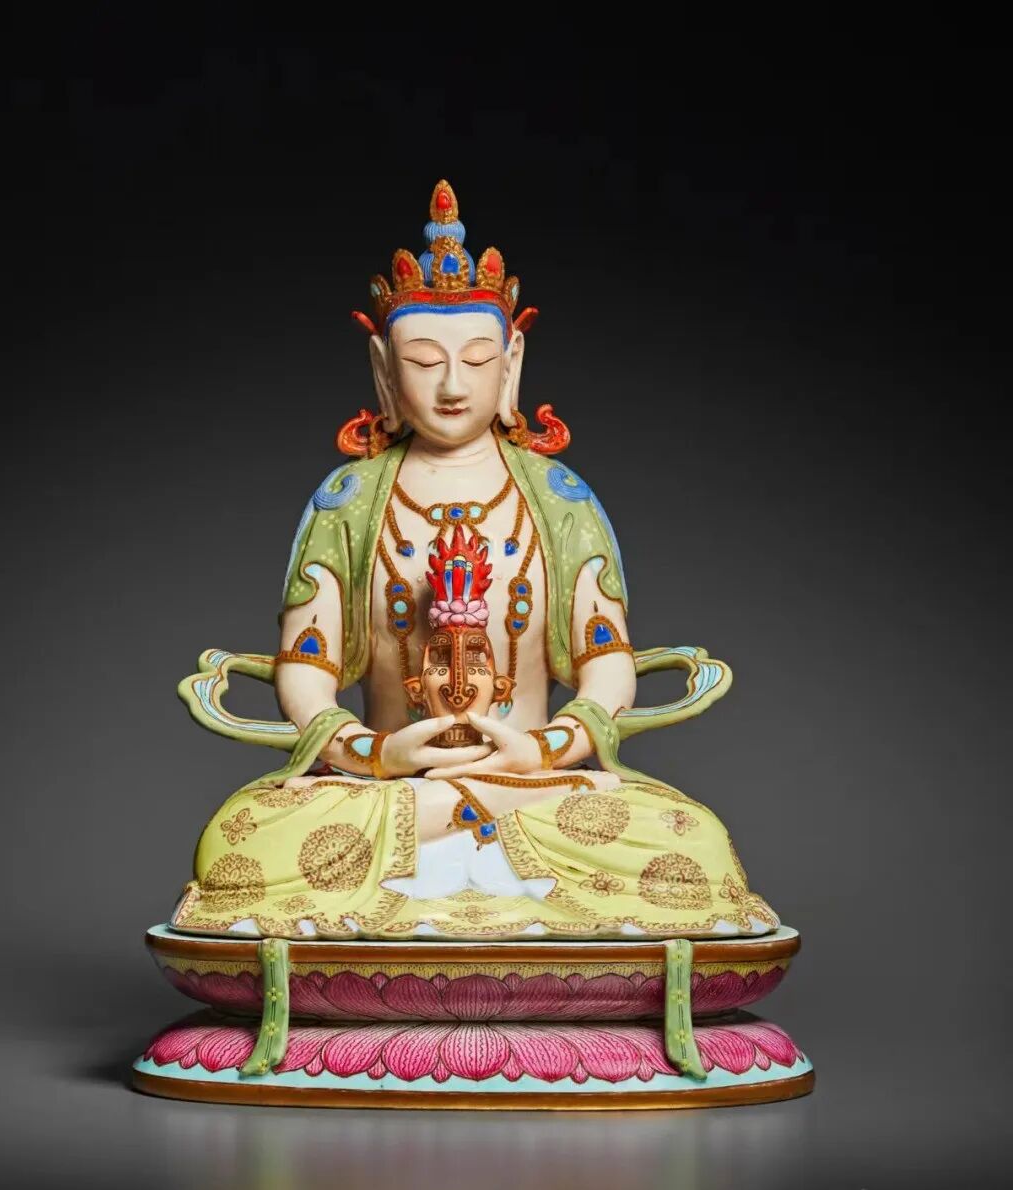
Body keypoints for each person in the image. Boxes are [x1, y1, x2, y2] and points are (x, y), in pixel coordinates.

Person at [170, 180, 778, 941]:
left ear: (512, 362)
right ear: (383, 369)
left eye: (477, 359)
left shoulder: (559, 500)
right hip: (389, 788)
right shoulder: (347, 502)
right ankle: (479, 848)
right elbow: (306, 670)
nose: (453, 385)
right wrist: (377, 753)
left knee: (690, 845)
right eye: (424, 362)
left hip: (535, 782)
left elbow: (608, 667)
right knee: (248, 842)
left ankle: (457, 843)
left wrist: (539, 751)